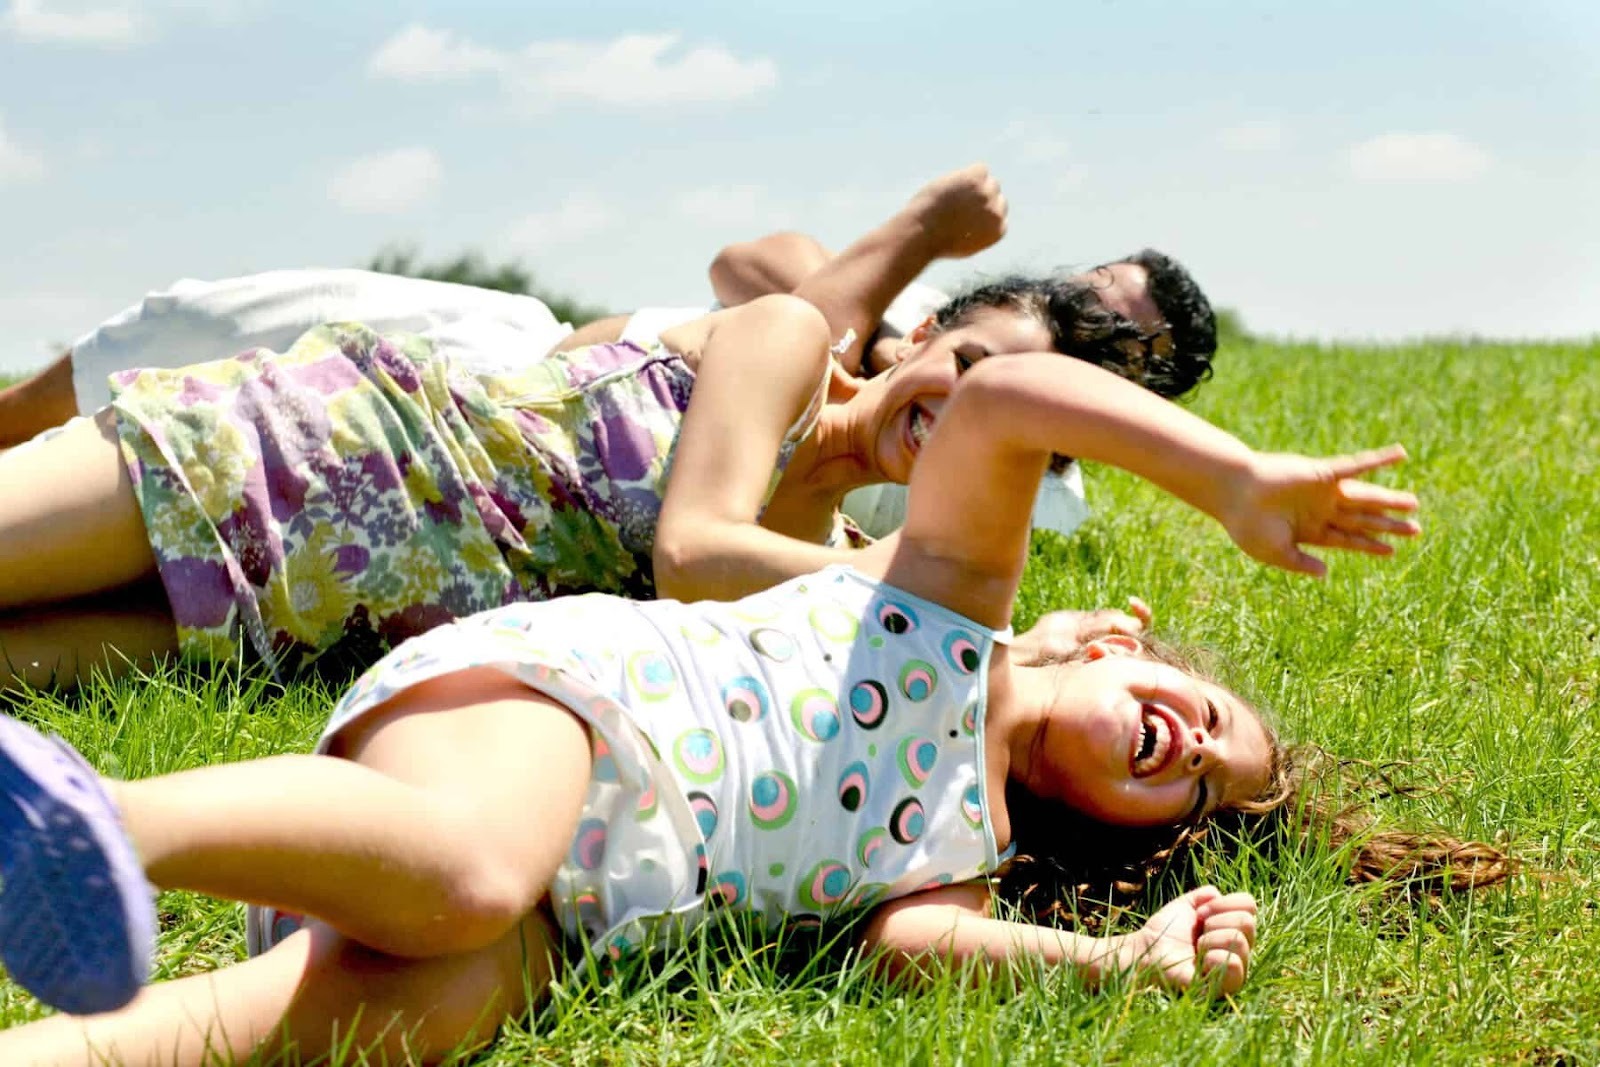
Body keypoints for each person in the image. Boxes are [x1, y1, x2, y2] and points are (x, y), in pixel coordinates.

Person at [0, 346, 1473, 1065]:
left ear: (1118, 838)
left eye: (1198, 792)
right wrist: (1226, 474)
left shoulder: (944, 855)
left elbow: (917, 950)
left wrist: (1131, 966)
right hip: (552, 714)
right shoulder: (948, 603)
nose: (1196, 752)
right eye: (1205, 716)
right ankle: (98, 821)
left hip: (547, 904)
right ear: (1111, 642)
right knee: (465, 875)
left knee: (440, 995)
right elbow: (1008, 402)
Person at [0, 263, 1192, 691]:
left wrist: (1030, 648)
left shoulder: (826, 566)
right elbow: (693, 555)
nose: (958, 410)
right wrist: (952, 597)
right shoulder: (782, 340)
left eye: (1002, 423)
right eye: (972, 368)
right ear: (926, 331)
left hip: (319, 613)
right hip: (308, 455)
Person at [0, 165, 1216, 542]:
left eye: (1120, 329)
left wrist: (876, 313)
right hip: (517, 368)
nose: (1087, 309)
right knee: (189, 330)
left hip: (521, 492)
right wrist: (884, 316)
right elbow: (750, 266)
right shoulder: (920, 328)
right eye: (1086, 284)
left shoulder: (1035, 486)